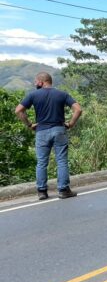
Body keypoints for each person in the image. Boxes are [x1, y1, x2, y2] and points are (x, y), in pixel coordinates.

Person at [15, 72, 82, 200]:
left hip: (41, 131)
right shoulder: (62, 94)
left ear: (41, 81)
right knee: (61, 161)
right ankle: (63, 190)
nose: (35, 84)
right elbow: (78, 109)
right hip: (59, 129)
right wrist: (70, 124)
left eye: (36, 81)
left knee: (41, 162)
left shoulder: (33, 95)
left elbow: (18, 110)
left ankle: (42, 192)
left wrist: (29, 125)